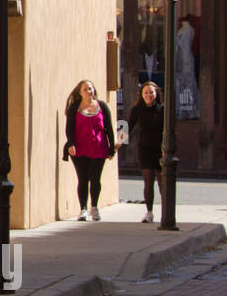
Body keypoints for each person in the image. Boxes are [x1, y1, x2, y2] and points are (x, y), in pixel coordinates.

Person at [62, 79, 115, 221]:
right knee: (83, 178)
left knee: (95, 178)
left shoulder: (102, 106)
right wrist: (71, 143)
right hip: (79, 148)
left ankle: (95, 207)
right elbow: (69, 128)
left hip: (99, 147)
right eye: (85, 89)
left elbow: (108, 127)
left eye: (90, 88)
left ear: (94, 90)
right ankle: (83, 209)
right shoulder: (74, 107)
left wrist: (111, 148)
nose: (88, 91)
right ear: (80, 92)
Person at [128, 81, 165, 223]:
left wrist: (166, 150)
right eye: (146, 93)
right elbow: (128, 127)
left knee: (163, 182)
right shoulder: (137, 109)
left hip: (161, 150)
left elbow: (169, 130)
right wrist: (117, 144)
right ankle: (149, 212)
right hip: (144, 149)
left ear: (156, 93)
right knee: (148, 181)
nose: (149, 95)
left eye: (151, 92)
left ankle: (165, 211)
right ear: (141, 95)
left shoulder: (162, 109)